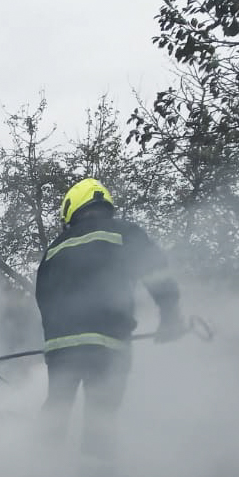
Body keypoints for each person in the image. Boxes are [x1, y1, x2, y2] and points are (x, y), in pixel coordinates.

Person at [34, 178, 183, 457]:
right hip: (109, 345)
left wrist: (54, 340)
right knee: (100, 418)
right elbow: (155, 273)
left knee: (56, 409)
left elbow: (42, 296)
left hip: (61, 348)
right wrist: (170, 315)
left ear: (71, 208)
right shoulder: (123, 232)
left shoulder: (55, 247)